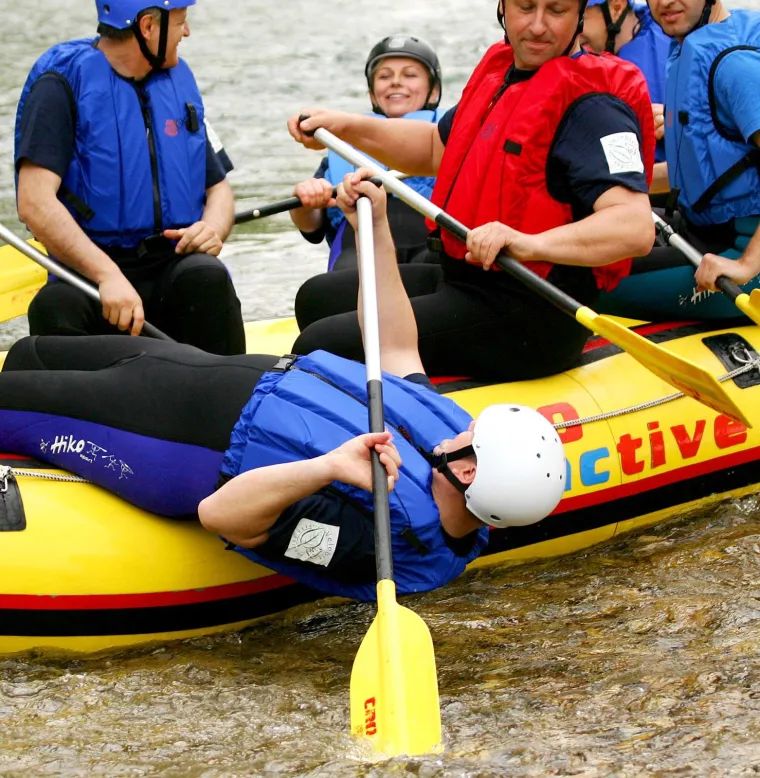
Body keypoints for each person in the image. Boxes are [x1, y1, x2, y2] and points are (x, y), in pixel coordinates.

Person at [0, 170, 567, 602]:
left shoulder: (386, 541)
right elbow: (394, 347)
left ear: (469, 471)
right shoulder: (446, 446)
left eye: (473, 436)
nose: (465, 425)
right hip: (215, 374)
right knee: (27, 353)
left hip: (182, 440)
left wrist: (326, 467)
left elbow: (225, 517)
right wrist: (375, 228)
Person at [287, 0, 656, 384]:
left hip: (531, 315)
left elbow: (633, 227)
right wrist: (345, 126)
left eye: (557, 10)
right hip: (465, 280)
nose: (538, 26)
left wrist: (528, 243)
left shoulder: (596, 107)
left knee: (322, 342)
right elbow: (434, 148)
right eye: (525, 7)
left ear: (580, 15)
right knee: (318, 296)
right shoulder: (504, 73)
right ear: (503, 8)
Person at [14, 0, 246, 355]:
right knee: (54, 306)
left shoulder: (177, 83)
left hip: (170, 264)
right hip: (89, 277)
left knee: (207, 276)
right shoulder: (60, 84)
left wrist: (212, 229)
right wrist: (107, 276)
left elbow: (218, 190)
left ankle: (231, 400)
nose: (187, 32)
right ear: (149, 26)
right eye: (181, 22)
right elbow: (34, 202)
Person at [606, 0, 760, 320]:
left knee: (581, 279)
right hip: (699, 229)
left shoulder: (736, 66)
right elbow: (700, 174)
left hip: (742, 255)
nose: (664, 2)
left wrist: (745, 266)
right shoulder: (691, 46)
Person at [290, 35, 445, 272]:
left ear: (433, 92)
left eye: (410, 75)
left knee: (436, 270)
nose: (395, 82)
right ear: (372, 94)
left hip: (432, 243)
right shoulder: (342, 146)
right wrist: (304, 204)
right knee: (317, 294)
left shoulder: (451, 135)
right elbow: (311, 228)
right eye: (384, 76)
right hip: (358, 246)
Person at [582, 0, 670, 161]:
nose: (573, 29)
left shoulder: (677, 44)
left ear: (617, 7)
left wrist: (678, 121)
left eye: (581, 16)